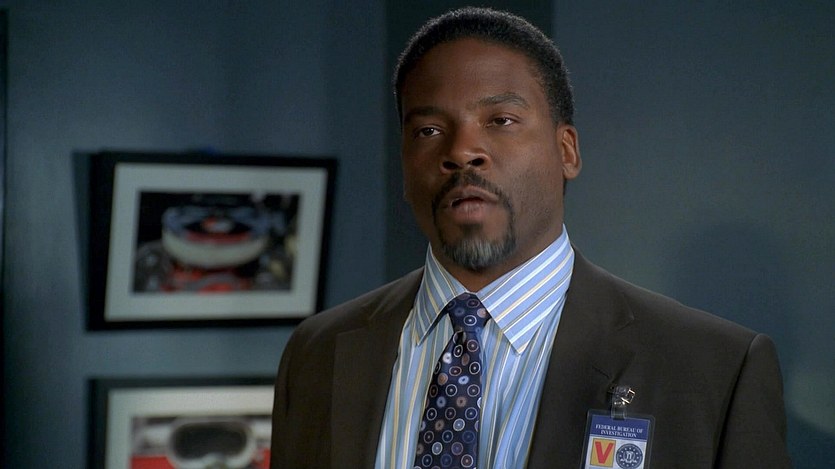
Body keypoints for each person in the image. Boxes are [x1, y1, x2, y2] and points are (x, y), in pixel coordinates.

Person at [270, 7, 791, 469]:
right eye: (428, 131)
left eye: (500, 120)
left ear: (567, 151)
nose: (462, 150)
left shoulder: (715, 371)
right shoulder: (317, 353)